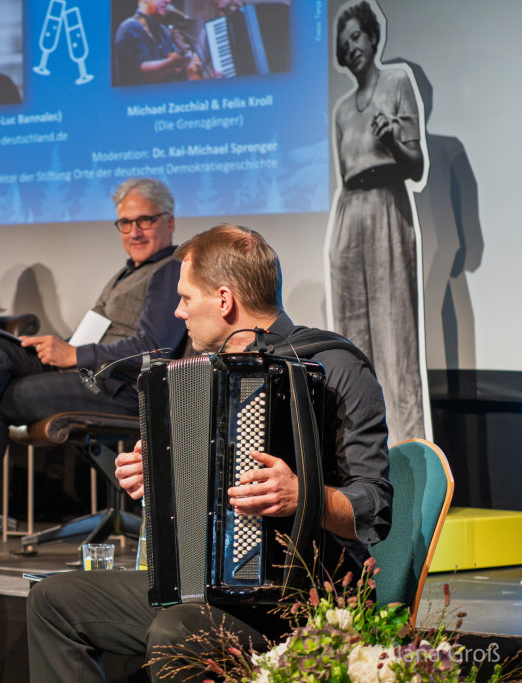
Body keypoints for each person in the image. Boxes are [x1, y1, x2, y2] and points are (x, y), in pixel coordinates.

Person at [27, 224, 392, 682]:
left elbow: (375, 508)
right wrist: (158, 480)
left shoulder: (336, 366)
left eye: (185, 298)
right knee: (54, 600)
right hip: (207, 590)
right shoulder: (195, 375)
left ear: (224, 301)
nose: (178, 312)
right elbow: (205, 501)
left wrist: (303, 496)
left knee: (175, 629)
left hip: (305, 597)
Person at [0, 178, 188, 566]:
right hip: (90, 372)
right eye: (125, 223)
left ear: (169, 221)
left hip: (120, 386)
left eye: (145, 221)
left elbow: (154, 347)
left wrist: (74, 354)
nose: (134, 231)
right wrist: (59, 347)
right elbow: (96, 330)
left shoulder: (169, 270)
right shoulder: (126, 273)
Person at [327, 0, 428, 444]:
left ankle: (413, 466)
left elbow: (416, 165)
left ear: (372, 36)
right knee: (352, 345)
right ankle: (363, 464)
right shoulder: (341, 111)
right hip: (350, 214)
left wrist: (392, 139)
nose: (351, 48)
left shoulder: (398, 82)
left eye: (356, 37)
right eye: (343, 42)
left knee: (396, 341)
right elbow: (345, 172)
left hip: (388, 205)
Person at [113, 0, 204, 86]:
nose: (167, 1)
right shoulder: (130, 27)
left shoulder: (163, 31)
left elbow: (175, 67)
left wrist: (188, 62)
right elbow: (138, 74)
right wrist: (172, 62)